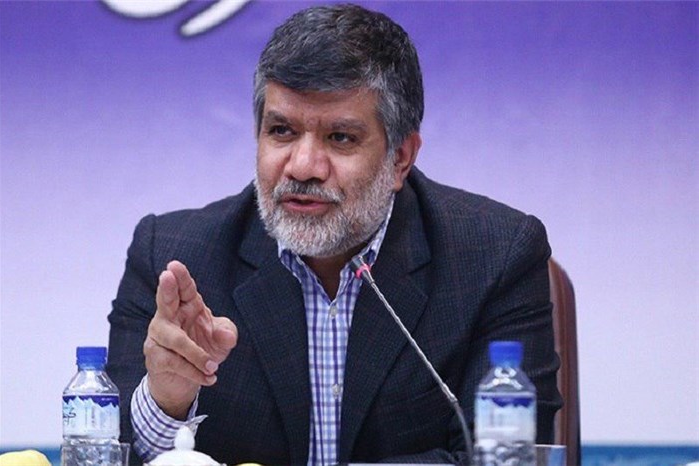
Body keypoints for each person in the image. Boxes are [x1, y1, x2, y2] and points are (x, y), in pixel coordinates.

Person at [106, 4, 562, 465]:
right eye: (281, 131)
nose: (303, 167)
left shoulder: (494, 256)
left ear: (401, 157)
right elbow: (107, 449)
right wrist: (167, 401)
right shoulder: (173, 256)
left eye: (340, 137)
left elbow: (505, 459)